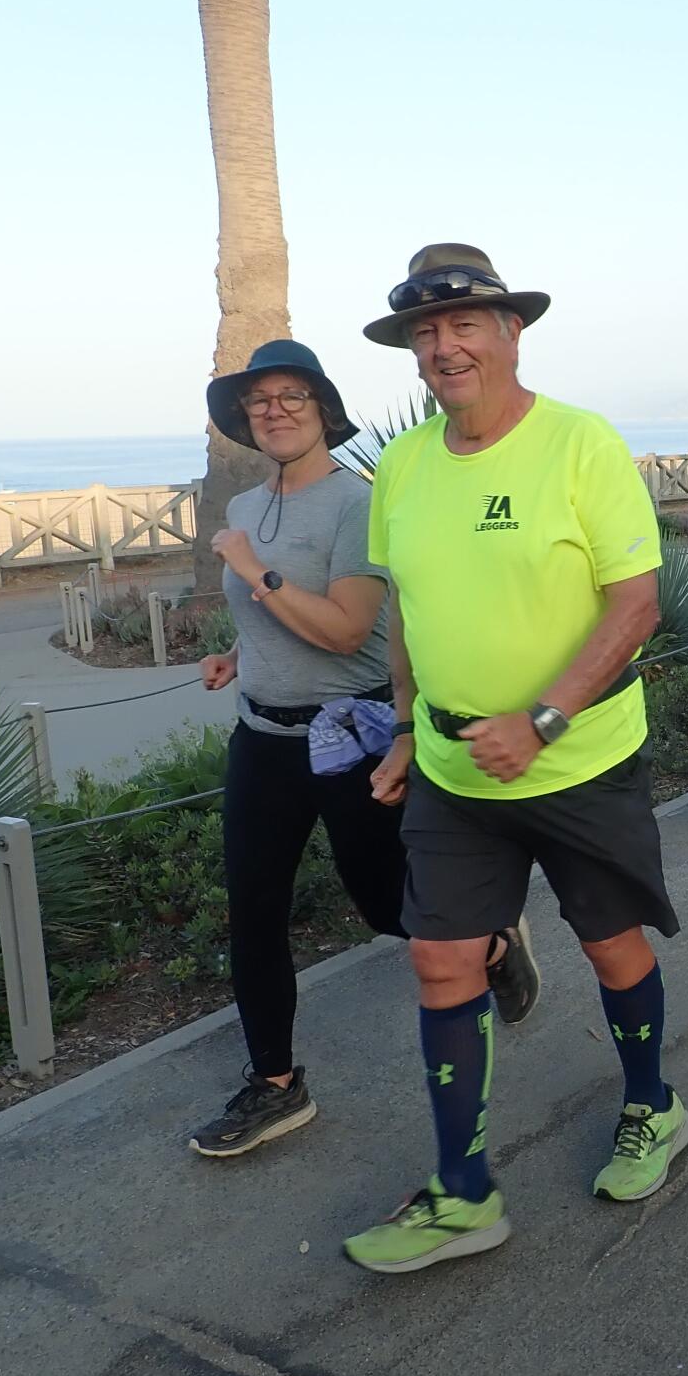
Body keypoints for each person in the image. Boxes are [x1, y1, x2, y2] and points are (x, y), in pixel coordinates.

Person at [342, 244, 687, 1273]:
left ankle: (652, 1108)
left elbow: (637, 605)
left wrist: (540, 717)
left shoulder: (579, 445)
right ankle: (462, 1194)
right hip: (452, 772)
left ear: (509, 333)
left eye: (462, 325)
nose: (442, 346)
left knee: (610, 947)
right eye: (423, 333)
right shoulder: (400, 466)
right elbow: (407, 609)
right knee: (439, 960)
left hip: (576, 759)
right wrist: (406, 729)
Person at [186, 340, 410, 1159]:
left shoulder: (358, 505)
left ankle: (492, 941)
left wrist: (254, 573)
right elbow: (272, 618)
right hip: (263, 737)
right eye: (259, 400)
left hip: (347, 734)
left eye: (292, 397)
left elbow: (351, 629)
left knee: (386, 908)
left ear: (322, 410)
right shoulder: (246, 508)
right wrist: (240, 656)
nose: (273, 410)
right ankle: (275, 1085)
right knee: (254, 911)